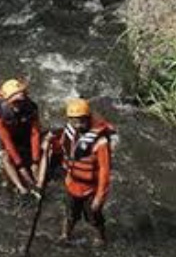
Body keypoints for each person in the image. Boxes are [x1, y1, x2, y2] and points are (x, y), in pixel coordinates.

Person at [39, 99, 114, 247]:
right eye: (74, 121)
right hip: (72, 184)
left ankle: (101, 238)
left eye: (82, 121)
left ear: (88, 118)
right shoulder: (69, 133)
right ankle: (65, 235)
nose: (78, 125)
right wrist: (49, 142)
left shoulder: (100, 142)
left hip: (90, 189)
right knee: (70, 215)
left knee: (94, 217)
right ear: (69, 120)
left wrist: (99, 197)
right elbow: (62, 149)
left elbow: (105, 171)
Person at [0, 79, 45, 196]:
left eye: (20, 101)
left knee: (45, 146)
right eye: (14, 102)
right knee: (6, 157)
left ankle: (38, 182)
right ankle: (20, 187)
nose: (18, 105)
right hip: (8, 134)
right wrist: (20, 166)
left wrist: (35, 162)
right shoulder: (0, 112)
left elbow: (35, 133)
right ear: (8, 101)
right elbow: (7, 140)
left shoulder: (31, 107)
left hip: (23, 129)